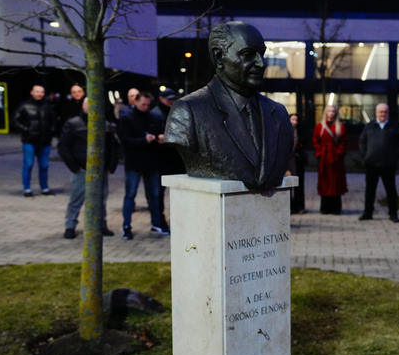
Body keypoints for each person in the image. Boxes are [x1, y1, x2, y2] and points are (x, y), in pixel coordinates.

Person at [164, 21, 293, 190]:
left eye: (262, 54)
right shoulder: (187, 112)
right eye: (248, 54)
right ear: (219, 57)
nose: (261, 63)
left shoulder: (279, 113)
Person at [57, 98, 120, 238]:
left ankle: (101, 225)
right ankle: (70, 226)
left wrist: (111, 166)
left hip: (100, 169)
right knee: (76, 199)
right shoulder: (73, 123)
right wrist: (74, 167)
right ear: (83, 106)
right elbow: (63, 146)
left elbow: (113, 146)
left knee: (101, 200)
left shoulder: (104, 124)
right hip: (81, 169)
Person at [118, 91, 166, 239]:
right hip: (134, 163)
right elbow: (126, 141)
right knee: (130, 195)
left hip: (151, 163)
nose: (145, 107)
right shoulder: (127, 118)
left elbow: (160, 132)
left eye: (147, 105)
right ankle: (126, 226)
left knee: (154, 195)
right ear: (136, 103)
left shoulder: (153, 117)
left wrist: (160, 138)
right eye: (143, 104)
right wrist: (144, 140)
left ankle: (156, 224)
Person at [358, 103, 399, 222]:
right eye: (381, 112)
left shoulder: (395, 126)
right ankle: (368, 212)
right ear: (376, 113)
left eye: (385, 112)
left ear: (388, 113)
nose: (383, 114)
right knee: (370, 190)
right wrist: (365, 156)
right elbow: (362, 141)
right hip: (372, 164)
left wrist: (395, 157)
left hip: (389, 164)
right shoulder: (370, 126)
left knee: (391, 190)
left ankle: (393, 213)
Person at [151, 89, 186, 229]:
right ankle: (160, 221)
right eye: (169, 99)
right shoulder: (156, 113)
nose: (171, 101)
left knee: (177, 190)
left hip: (175, 158)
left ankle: (177, 220)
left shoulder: (176, 111)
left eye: (173, 98)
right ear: (161, 99)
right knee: (158, 193)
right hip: (162, 159)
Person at [12, 84, 55, 197]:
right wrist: (26, 130)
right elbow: (15, 121)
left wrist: (51, 131)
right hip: (29, 141)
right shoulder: (24, 106)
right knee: (28, 164)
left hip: (45, 141)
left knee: (44, 166)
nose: (39, 94)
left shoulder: (47, 106)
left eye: (42, 92)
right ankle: (27, 189)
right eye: (37, 91)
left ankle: (44, 188)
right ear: (32, 92)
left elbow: (53, 121)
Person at [312, 105, 347, 215]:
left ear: (336, 113)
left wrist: (338, 153)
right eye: (329, 111)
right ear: (325, 113)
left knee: (336, 182)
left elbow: (344, 142)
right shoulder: (320, 126)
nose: (331, 113)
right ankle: (325, 207)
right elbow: (315, 141)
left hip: (336, 160)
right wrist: (320, 153)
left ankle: (336, 208)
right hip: (324, 159)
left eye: (333, 111)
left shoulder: (340, 126)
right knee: (324, 182)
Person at [287, 113, 307, 214]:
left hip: (298, 160)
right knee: (288, 184)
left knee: (299, 184)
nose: (295, 122)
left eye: (296, 120)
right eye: (293, 119)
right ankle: (290, 206)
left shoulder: (300, 131)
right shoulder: (286, 131)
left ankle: (299, 206)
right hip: (288, 161)